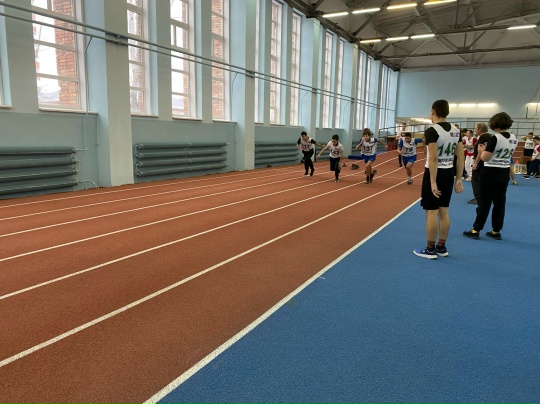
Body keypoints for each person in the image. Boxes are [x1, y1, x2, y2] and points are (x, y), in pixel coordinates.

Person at [413, 99, 464, 259]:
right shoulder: (456, 131)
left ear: (433, 111)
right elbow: (461, 157)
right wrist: (459, 179)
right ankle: (441, 247)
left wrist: (433, 181)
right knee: (444, 211)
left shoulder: (432, 131)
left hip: (434, 173)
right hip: (449, 173)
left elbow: (433, 158)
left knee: (431, 212)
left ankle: (430, 249)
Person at [463, 112, 518, 240]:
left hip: (490, 172)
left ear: (495, 124)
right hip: (504, 172)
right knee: (500, 202)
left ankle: (476, 229)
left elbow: (485, 157)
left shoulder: (496, 138)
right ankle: (496, 231)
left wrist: (482, 150)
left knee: (484, 202)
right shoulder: (513, 137)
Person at [468, 122, 491, 205]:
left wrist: (475, 163)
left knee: (476, 180)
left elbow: (480, 152)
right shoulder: (490, 136)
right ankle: (485, 197)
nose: (475, 130)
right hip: (487, 162)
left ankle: (478, 198)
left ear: (480, 129)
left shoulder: (482, 137)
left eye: (476, 128)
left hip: (480, 162)